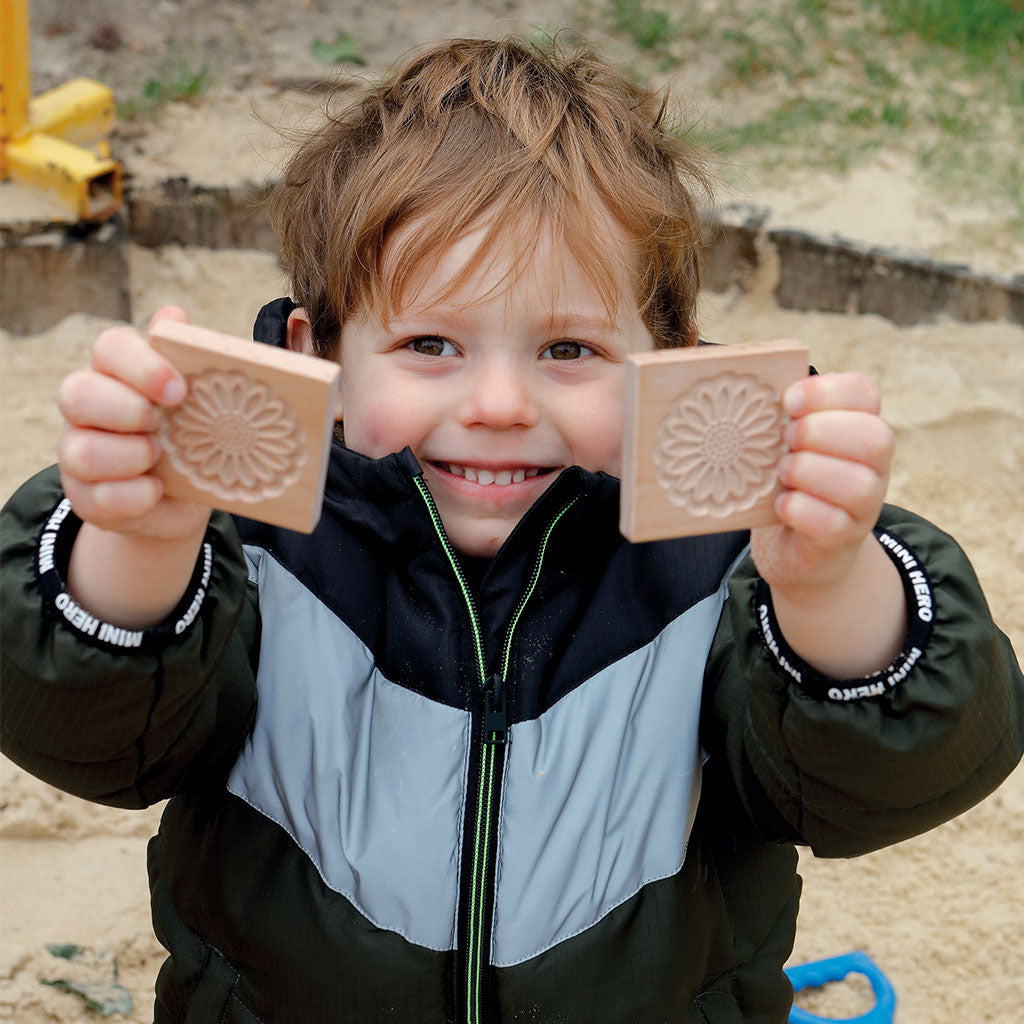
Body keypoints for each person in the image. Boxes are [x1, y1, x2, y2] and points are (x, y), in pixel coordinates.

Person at [1, 36, 1021, 1024]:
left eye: (567, 347)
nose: (496, 401)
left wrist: (829, 589)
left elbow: (875, 788)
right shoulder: (248, 538)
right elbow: (98, 745)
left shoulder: (725, 563)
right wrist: (139, 544)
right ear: (324, 361)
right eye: (429, 342)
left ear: (672, 365)